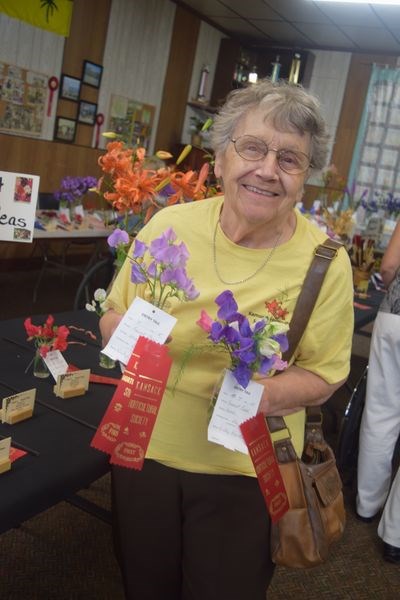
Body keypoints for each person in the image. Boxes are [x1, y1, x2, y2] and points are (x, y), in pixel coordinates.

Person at [100, 79, 354, 600]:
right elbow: (114, 312)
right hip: (143, 448)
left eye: (290, 158)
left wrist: (260, 395)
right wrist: (133, 344)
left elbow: (327, 374)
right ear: (219, 159)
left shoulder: (325, 261)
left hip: (243, 469)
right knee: (143, 586)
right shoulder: (170, 224)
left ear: (305, 179)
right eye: (253, 147)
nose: (267, 169)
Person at [356, 220, 400, 564]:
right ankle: (394, 536)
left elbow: (388, 266)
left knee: (381, 412)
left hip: (394, 315)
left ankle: (366, 505)